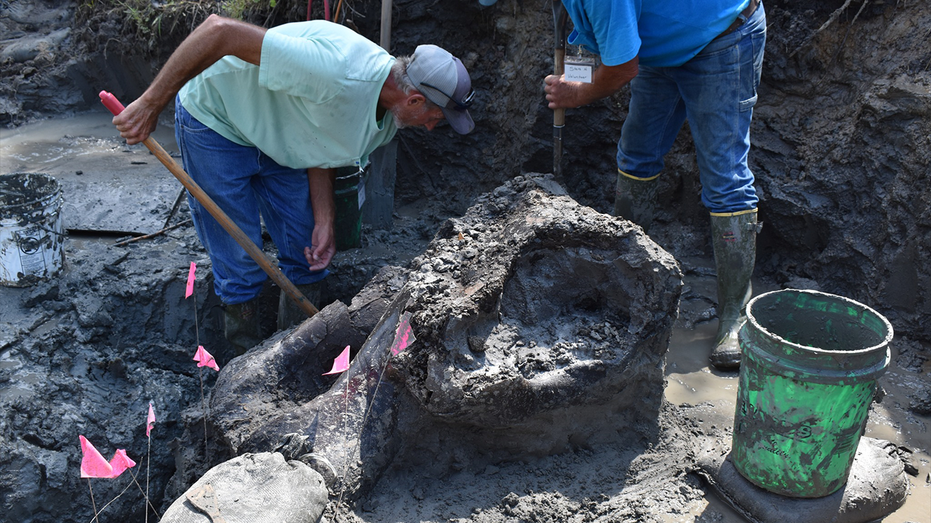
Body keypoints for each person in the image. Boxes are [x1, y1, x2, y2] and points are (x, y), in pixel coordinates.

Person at [113, 14, 475, 354]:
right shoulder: (335, 72)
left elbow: (323, 143)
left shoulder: (385, 114)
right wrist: (149, 104)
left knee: (308, 254)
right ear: (413, 98)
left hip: (281, 135)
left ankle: (292, 357)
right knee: (240, 263)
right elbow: (218, 30)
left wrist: (324, 219)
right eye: (434, 116)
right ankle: (243, 367)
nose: (430, 127)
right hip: (218, 121)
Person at [544, 0, 765, 370]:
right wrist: (577, 74)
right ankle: (625, 278)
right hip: (661, 49)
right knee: (636, 156)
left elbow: (623, 67)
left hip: (722, 37)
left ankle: (735, 317)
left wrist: (577, 93)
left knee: (724, 176)